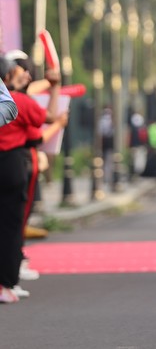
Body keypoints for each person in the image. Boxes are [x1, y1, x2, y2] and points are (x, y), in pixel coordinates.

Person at [0, 56, 61, 303]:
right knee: (12, 226)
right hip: (11, 164)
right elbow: (48, 119)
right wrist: (54, 87)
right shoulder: (19, 101)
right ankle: (6, 283)